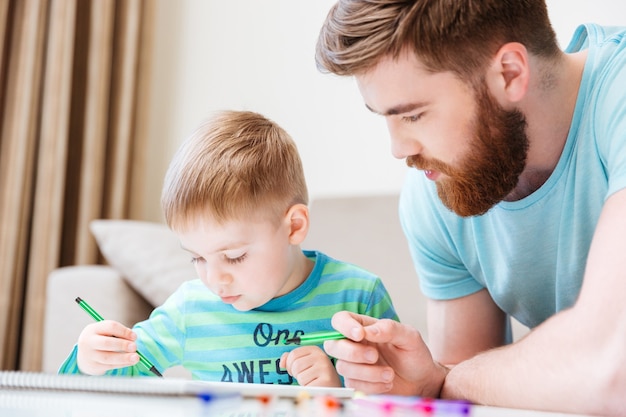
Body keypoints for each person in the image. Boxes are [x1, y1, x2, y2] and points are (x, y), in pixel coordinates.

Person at [315, 0, 626, 415]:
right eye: (384, 119)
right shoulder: (438, 191)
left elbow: (611, 369)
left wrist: (451, 379)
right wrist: (432, 381)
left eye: (413, 116)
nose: (399, 150)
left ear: (510, 73)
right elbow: (468, 400)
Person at [58, 110, 398, 387]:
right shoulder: (191, 309)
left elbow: (404, 398)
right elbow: (93, 390)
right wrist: (90, 361)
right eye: (197, 257)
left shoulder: (358, 297)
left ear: (294, 226)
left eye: (234, 256)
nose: (215, 280)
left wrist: (334, 393)